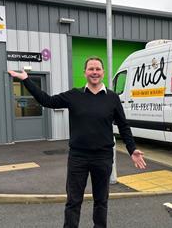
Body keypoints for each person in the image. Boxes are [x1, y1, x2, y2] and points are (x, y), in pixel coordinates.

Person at [8, 57, 146, 228]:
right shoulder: (74, 95)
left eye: (97, 69)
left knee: (101, 201)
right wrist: (27, 81)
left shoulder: (112, 98)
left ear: (103, 72)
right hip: (78, 157)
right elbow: (47, 101)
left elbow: (124, 126)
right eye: (91, 69)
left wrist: (132, 149)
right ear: (85, 73)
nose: (94, 72)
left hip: (103, 158)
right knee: (73, 201)